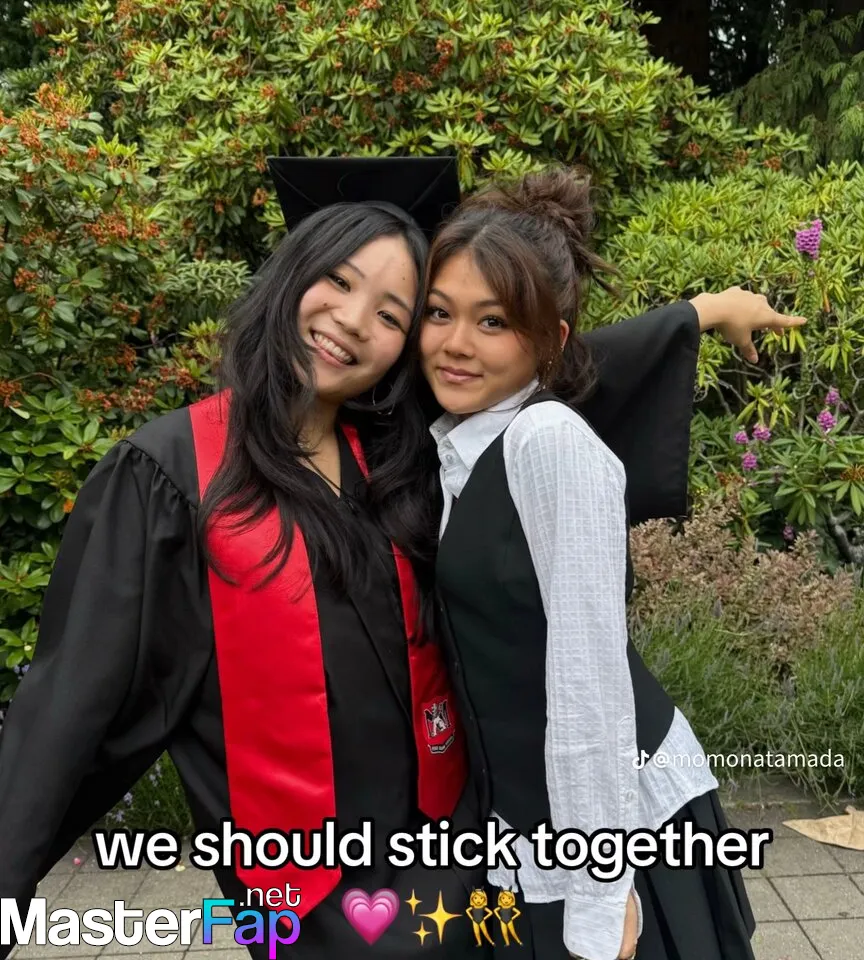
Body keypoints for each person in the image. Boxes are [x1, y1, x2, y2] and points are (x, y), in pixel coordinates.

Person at [0, 156, 802, 960]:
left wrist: (702, 312)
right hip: (315, 884)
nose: (353, 322)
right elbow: (68, 711)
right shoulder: (173, 478)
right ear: (290, 276)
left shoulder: (397, 451)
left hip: (463, 854)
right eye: (337, 281)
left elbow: (539, 371)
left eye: (391, 313)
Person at [420, 164, 798, 960]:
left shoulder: (549, 444)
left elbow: (586, 676)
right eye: (439, 313)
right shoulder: (458, 448)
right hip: (528, 830)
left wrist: (598, 889)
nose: (455, 344)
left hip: (613, 833)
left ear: (551, 342)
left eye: (493, 322)